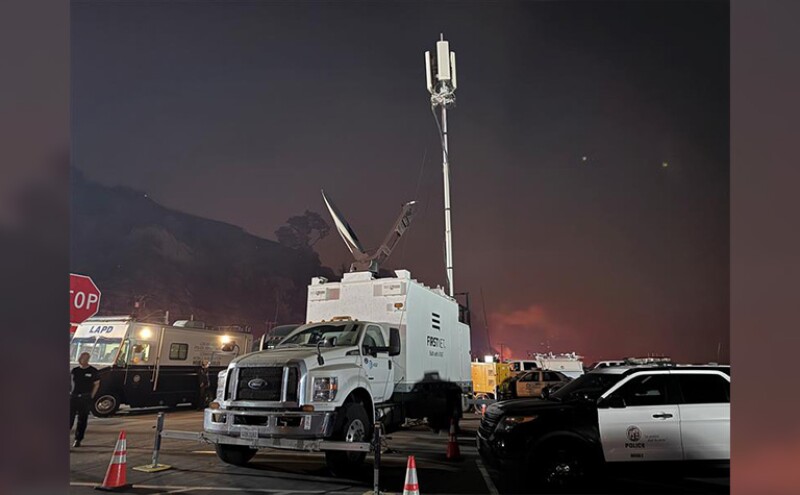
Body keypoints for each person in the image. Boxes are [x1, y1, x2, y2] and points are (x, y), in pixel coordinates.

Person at [70, 352, 100, 447]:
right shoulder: (75, 370)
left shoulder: (93, 371)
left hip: (85, 397)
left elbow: (97, 384)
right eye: (82, 358)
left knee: (82, 419)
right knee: (69, 418)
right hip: (73, 397)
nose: (84, 360)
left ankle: (78, 439)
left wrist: (91, 395)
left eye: (86, 358)